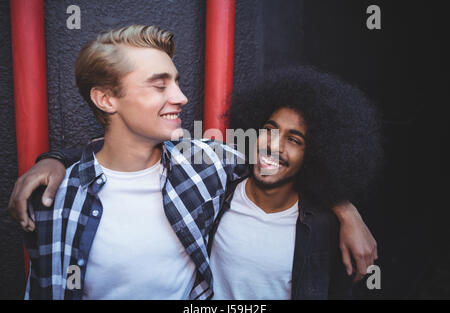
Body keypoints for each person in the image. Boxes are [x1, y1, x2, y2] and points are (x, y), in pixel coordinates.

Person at [8, 25, 377, 299]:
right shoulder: (57, 199)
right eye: (159, 84)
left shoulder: (204, 164)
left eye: (177, 81)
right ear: (106, 99)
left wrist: (345, 209)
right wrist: (56, 161)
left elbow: (285, 163)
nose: (181, 97)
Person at [207, 66, 383, 299]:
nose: (273, 146)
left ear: (315, 154)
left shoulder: (325, 228)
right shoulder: (216, 192)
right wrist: (346, 210)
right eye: (269, 130)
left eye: (294, 140)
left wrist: (346, 212)